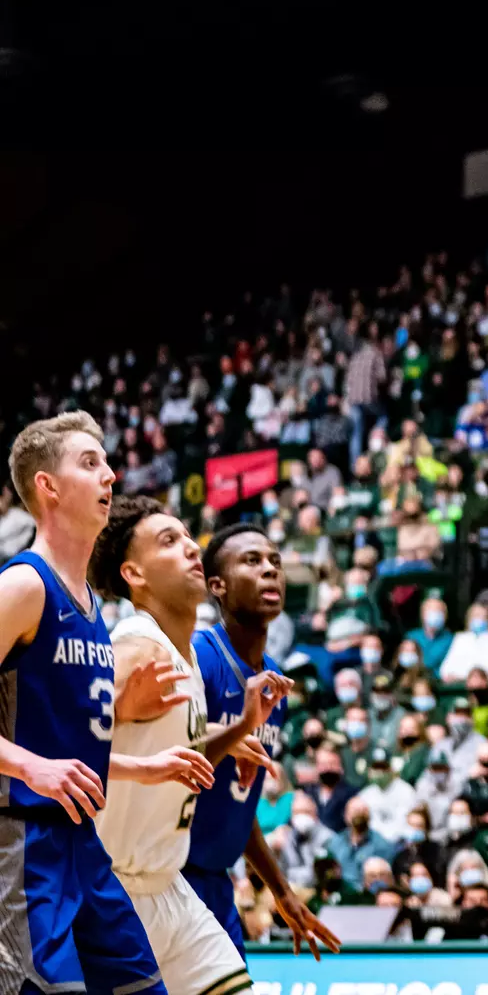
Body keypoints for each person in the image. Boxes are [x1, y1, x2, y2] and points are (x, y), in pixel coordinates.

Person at [0, 412, 217, 995]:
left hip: (82, 843)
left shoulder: (93, 607)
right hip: (21, 843)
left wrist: (143, 767)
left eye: (107, 462)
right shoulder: (23, 586)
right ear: (48, 486)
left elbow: (61, 748)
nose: (111, 475)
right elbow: (42, 763)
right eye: (90, 463)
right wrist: (30, 768)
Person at [88, 496, 293, 995]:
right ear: (134, 574)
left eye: (186, 537)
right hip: (113, 887)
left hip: (168, 887)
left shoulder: (188, 659)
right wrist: (114, 710)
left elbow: (172, 747)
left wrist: (239, 729)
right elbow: (56, 749)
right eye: (168, 541)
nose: (190, 547)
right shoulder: (136, 643)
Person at [184, 523, 342, 961]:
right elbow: (170, 760)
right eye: (252, 561)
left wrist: (281, 890)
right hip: (169, 876)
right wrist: (238, 728)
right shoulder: (197, 658)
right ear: (217, 585)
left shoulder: (275, 680)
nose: (270, 570)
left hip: (215, 882)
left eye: (275, 561)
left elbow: (241, 804)